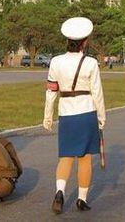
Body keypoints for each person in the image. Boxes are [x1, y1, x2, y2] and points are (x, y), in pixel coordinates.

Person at [42, 17, 106, 214]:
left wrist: (47, 115)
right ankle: (81, 199)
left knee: (66, 156)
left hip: (66, 113)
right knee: (85, 158)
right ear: (85, 42)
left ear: (67, 40)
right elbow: (97, 92)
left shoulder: (56, 62)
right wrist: (102, 116)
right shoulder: (91, 63)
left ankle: (60, 191)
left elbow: (51, 90)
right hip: (86, 112)